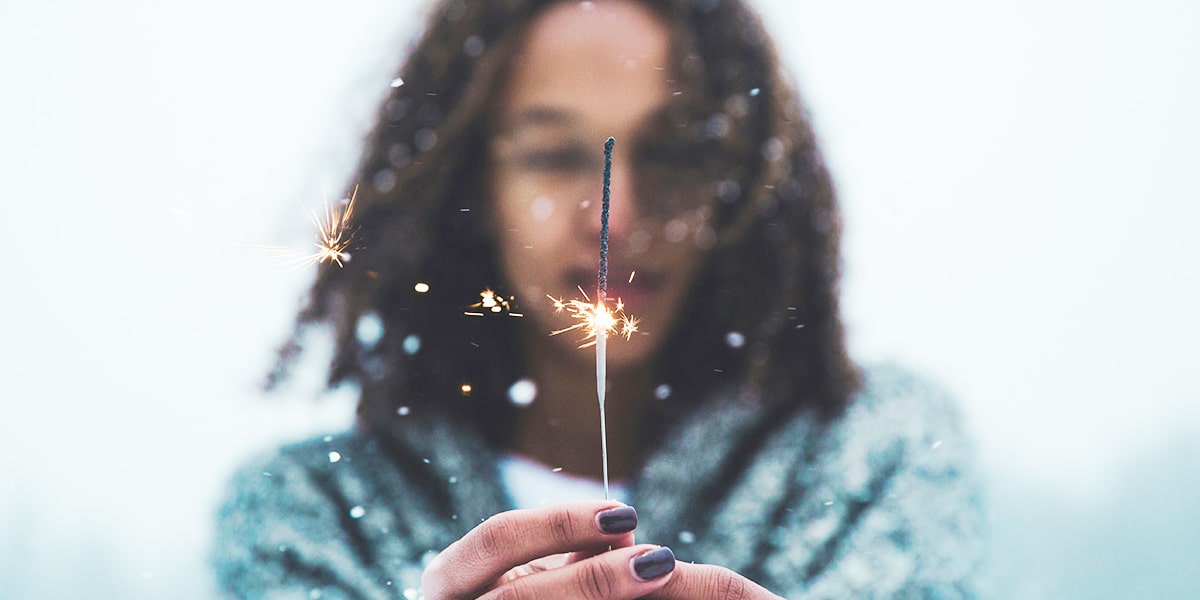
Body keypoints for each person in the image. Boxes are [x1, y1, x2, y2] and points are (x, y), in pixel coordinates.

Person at [213, 0, 985, 597]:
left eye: (674, 151)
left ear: (740, 182)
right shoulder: (309, 516)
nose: (615, 218)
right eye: (554, 156)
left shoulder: (874, 454)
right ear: (473, 187)